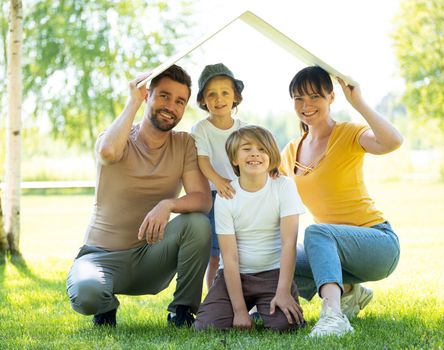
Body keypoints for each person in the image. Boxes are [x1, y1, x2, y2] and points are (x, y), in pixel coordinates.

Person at [66, 65, 212, 328]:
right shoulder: (118, 138)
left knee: (198, 223)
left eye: (180, 101)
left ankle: (181, 311)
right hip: (101, 257)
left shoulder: (184, 144)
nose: (171, 106)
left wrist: (168, 204)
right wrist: (132, 100)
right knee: (87, 294)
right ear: (148, 96)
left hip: (151, 254)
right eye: (164, 96)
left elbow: (202, 198)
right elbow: (108, 152)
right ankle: (106, 306)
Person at [280, 66, 403, 337]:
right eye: (299, 98)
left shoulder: (349, 134)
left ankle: (333, 316)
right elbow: (264, 186)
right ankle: (350, 291)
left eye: (315, 97)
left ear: (331, 98)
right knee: (277, 255)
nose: (306, 105)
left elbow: (392, 141)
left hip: (378, 242)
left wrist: (357, 102)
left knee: (317, 232)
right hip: (334, 253)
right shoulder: (291, 150)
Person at [194, 125, 306, 332]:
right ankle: (245, 307)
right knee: (206, 327)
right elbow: (229, 257)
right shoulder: (226, 196)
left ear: (271, 157)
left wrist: (283, 291)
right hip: (236, 275)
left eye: (262, 149)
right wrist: (239, 311)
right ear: (234, 159)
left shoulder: (284, 187)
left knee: (286, 327)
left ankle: (268, 303)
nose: (255, 153)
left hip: (273, 274)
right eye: (246, 148)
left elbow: (289, 243)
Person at [191, 63, 247, 289]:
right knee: (216, 255)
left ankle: (245, 297)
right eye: (211, 94)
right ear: (203, 100)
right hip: (215, 197)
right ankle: (214, 297)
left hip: (241, 196)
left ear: (235, 97)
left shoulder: (245, 129)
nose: (219, 99)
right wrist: (218, 180)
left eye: (225, 92)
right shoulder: (201, 129)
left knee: (240, 252)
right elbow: (202, 160)